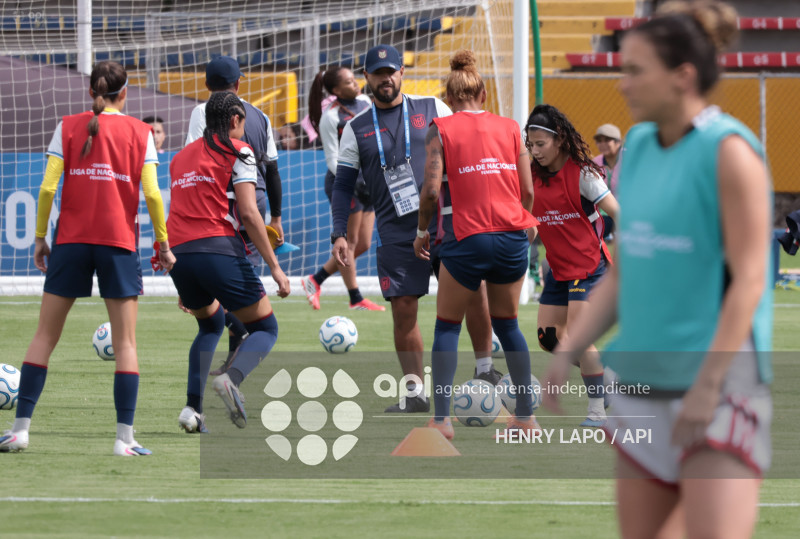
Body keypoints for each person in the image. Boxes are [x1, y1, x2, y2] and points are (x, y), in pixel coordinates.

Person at [543, 2, 773, 537]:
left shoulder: (731, 154)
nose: (621, 84)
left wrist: (708, 386)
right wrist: (569, 354)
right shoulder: (639, 147)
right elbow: (626, 274)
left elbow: (750, 282)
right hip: (645, 381)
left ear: (682, 77)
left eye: (635, 71)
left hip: (717, 384)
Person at [0, 61, 175, 456]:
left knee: (45, 336)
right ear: (125, 93)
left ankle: (19, 431)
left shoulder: (68, 125)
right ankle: (124, 440)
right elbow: (151, 194)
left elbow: (47, 188)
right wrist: (163, 244)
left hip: (72, 242)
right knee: (126, 342)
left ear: (90, 92)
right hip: (117, 243)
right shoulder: (140, 131)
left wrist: (41, 238)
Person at [331, 45, 500, 412]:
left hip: (447, 224)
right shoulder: (355, 128)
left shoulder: (432, 108)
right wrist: (339, 232)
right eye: (378, 73)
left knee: (474, 294)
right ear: (367, 79)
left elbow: (469, 148)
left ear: (402, 73)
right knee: (403, 309)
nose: (386, 78)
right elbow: (343, 185)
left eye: (391, 71)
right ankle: (414, 393)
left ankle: (486, 369)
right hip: (395, 234)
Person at [413, 51, 539, 439]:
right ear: (483, 94)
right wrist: (525, 225)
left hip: (467, 238)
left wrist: (421, 232)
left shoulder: (441, 129)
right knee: (510, 326)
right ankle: (525, 417)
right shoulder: (511, 127)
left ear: (448, 99)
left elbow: (431, 192)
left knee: (447, 327)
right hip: (512, 237)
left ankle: (442, 421)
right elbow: (528, 190)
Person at [168, 91, 290, 432]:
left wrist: (183, 276)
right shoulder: (240, 151)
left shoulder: (180, 158)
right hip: (217, 249)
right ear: (236, 121)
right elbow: (250, 213)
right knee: (266, 328)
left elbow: (178, 210)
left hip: (180, 254)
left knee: (209, 325)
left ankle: (192, 410)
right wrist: (276, 268)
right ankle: (231, 379)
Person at [185, 56, 284, 375]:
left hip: (219, 206)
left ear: (205, 84)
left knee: (226, 289)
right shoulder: (260, 116)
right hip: (253, 202)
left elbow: (194, 161)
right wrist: (277, 216)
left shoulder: (202, 112)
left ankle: (233, 360)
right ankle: (234, 361)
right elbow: (272, 170)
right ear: (240, 83)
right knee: (243, 282)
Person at [525, 103, 620, 428]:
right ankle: (607, 379)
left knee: (577, 338)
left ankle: (597, 411)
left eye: (541, 144)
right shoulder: (531, 177)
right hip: (559, 269)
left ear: (560, 140)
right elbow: (532, 223)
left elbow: (618, 213)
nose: (535, 151)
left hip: (589, 266)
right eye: (531, 145)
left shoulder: (583, 173)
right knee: (549, 338)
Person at [301, 65, 385, 312]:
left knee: (364, 244)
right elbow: (332, 158)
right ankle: (355, 298)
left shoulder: (365, 101)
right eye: (348, 82)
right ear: (336, 90)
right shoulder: (331, 117)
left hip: (369, 182)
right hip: (345, 183)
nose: (355, 83)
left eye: (354, 79)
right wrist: (355, 182)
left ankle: (315, 280)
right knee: (349, 242)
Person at [592, 123, 621, 241]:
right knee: (591, 234)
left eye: (607, 140)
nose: (602, 144)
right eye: (599, 140)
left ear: (618, 142)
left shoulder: (630, 158)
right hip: (605, 214)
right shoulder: (595, 163)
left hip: (630, 212)